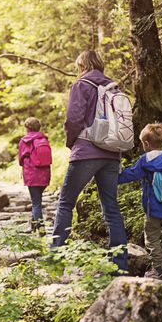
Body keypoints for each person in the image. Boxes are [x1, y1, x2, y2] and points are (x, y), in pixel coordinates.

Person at [51, 50, 128, 272]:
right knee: (111, 208)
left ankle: (56, 260)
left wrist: (71, 142)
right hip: (112, 153)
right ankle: (119, 264)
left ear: (82, 65)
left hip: (87, 151)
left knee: (66, 202)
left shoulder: (81, 84)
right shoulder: (114, 87)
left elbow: (73, 119)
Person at [118, 123, 162, 279]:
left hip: (153, 206)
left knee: (151, 237)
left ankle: (158, 270)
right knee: (160, 225)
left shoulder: (145, 161)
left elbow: (130, 174)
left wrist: (114, 176)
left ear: (146, 143)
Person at [18, 117, 51, 233]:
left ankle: (41, 229)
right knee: (37, 200)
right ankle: (33, 227)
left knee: (36, 203)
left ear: (27, 128)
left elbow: (20, 160)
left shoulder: (24, 141)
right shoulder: (44, 139)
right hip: (45, 175)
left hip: (32, 175)